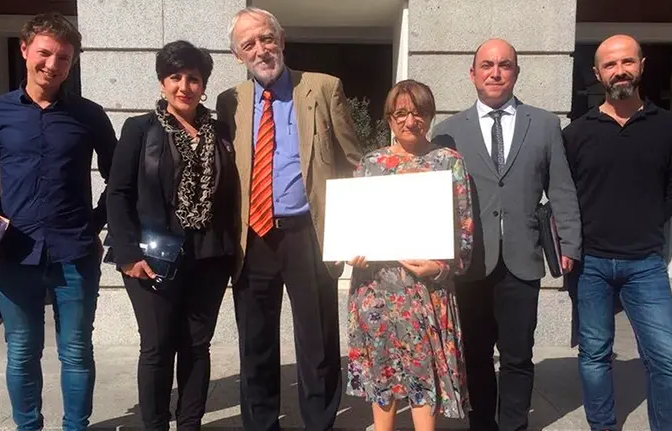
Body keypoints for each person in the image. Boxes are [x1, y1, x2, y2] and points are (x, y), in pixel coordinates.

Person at [0, 12, 115, 431]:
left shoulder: (89, 115)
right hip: (13, 253)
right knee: (22, 351)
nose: (53, 64)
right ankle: (28, 427)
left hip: (74, 251)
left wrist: (97, 223)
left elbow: (121, 179)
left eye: (63, 57)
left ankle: (75, 426)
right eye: (45, 53)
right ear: (25, 51)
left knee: (76, 351)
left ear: (72, 61)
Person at [215, 7, 362, 431]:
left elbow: (355, 162)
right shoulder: (231, 102)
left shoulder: (322, 87)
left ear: (281, 40)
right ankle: (261, 423)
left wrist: (358, 229)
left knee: (316, 341)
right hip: (253, 238)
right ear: (237, 55)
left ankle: (319, 422)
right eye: (249, 44)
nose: (261, 49)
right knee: (256, 342)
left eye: (266, 38)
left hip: (309, 234)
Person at [431, 38, 582, 431]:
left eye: (504, 65)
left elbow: (561, 188)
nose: (495, 72)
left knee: (518, 356)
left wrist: (569, 242)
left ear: (516, 71)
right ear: (473, 73)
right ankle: (482, 424)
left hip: (522, 256)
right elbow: (434, 199)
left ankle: (514, 425)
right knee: (475, 354)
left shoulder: (546, 124)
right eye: (486, 65)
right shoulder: (447, 132)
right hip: (471, 261)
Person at [105, 40, 238, 431]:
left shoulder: (221, 132)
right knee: (158, 346)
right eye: (175, 77)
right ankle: (156, 425)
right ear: (162, 82)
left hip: (209, 257)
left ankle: (191, 423)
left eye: (193, 78)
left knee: (196, 346)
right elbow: (118, 192)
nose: (184, 86)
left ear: (204, 84)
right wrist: (127, 253)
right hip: (151, 257)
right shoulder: (139, 129)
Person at [563, 34, 672, 431]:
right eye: (610, 64)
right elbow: (564, 195)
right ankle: (602, 426)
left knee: (667, 358)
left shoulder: (670, 127)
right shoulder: (576, 133)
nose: (620, 71)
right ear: (597, 73)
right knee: (595, 355)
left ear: (641, 65)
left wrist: (647, 220)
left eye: (627, 62)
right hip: (592, 264)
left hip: (645, 262)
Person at [346, 79, 473, 430]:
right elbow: (353, 222)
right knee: (382, 372)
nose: (409, 121)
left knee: (424, 372)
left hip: (425, 291)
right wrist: (351, 249)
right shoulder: (371, 164)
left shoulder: (448, 162)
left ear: (429, 117)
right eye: (400, 113)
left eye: (418, 113)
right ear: (389, 119)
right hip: (375, 290)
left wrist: (440, 266)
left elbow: (464, 229)